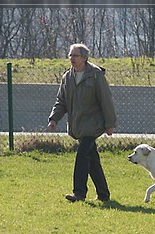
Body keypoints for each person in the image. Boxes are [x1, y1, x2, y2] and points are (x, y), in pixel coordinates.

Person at [48, 43, 117, 203]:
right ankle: (103, 194)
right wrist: (54, 119)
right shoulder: (67, 77)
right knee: (92, 159)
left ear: (84, 58)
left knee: (82, 156)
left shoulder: (95, 75)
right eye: (70, 55)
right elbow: (61, 101)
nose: (72, 59)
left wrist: (110, 123)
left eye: (75, 56)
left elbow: (106, 100)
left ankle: (79, 193)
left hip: (93, 124)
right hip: (78, 125)